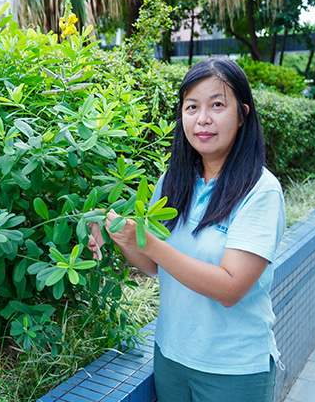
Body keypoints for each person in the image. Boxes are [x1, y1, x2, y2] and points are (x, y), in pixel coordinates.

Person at [88, 57, 286, 402]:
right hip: (171, 358)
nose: (203, 118)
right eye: (191, 107)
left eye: (217, 105)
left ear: (242, 114)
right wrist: (119, 232)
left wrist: (149, 243)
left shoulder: (261, 191)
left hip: (233, 371)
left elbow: (230, 288)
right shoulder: (174, 180)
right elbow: (151, 266)